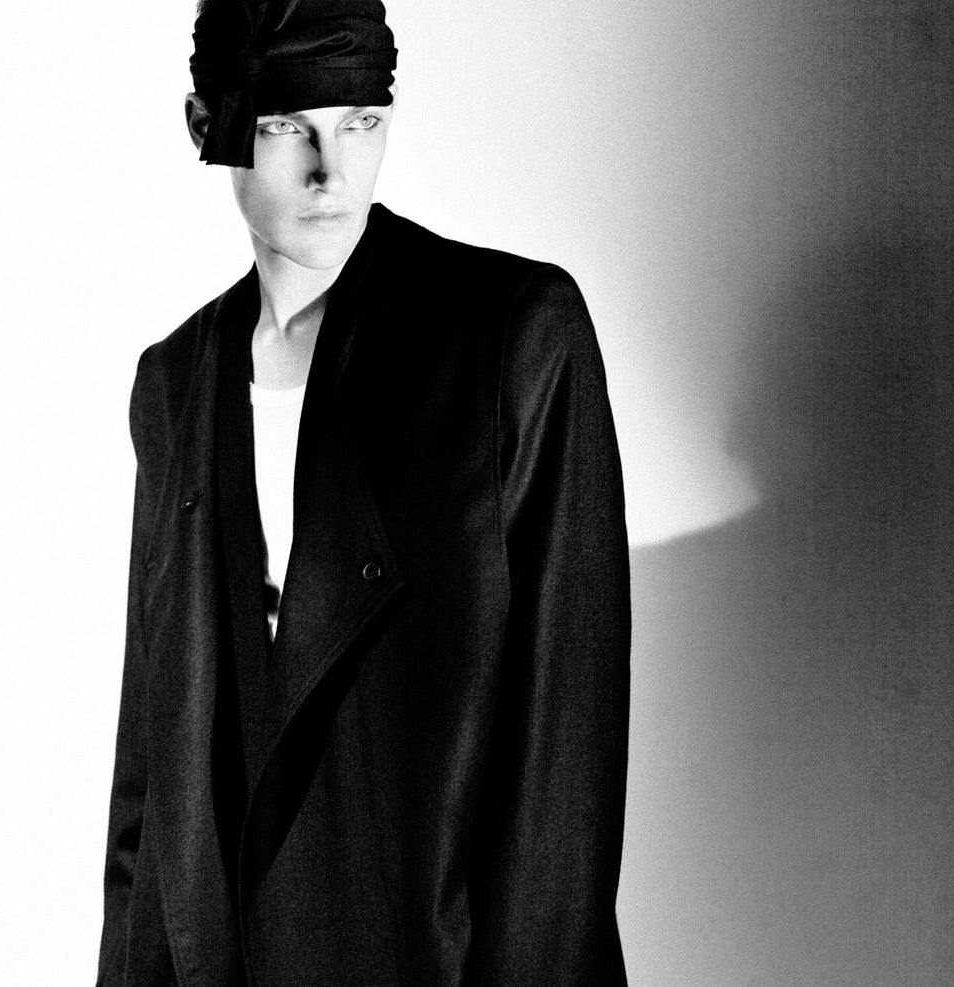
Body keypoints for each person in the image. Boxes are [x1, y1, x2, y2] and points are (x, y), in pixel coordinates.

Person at [96, 1, 630, 983]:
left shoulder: (510, 336)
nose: (330, 172)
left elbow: (565, 751)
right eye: (286, 127)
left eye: (361, 122)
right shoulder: (172, 383)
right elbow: (152, 769)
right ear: (205, 125)